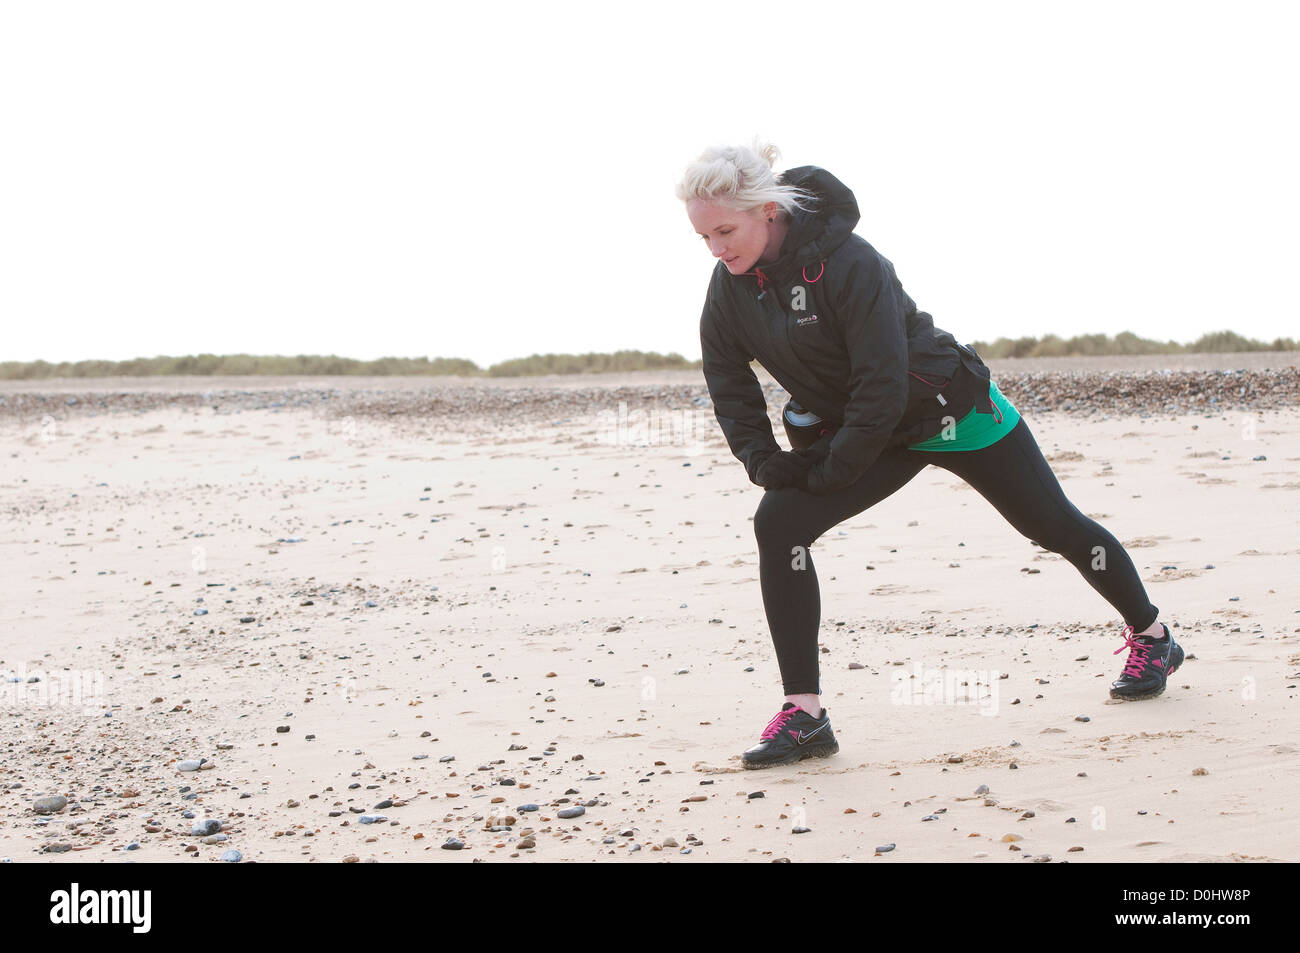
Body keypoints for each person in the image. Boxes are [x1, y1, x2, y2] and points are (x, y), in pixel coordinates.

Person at [676, 139, 1185, 770]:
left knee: (1050, 524)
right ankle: (805, 715)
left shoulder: (852, 263)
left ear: (768, 211)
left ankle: (1152, 635)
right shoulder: (728, 289)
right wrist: (762, 459)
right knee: (780, 522)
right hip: (871, 428)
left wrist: (833, 468)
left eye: (726, 230)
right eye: (705, 238)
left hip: (950, 411)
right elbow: (727, 379)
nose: (718, 249)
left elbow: (883, 382)